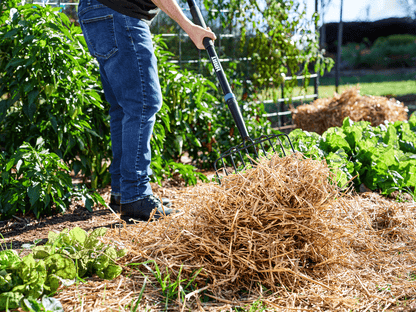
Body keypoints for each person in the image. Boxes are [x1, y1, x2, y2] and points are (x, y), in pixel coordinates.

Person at [77, 0, 216, 221]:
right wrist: (189, 27)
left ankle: (123, 193)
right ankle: (135, 195)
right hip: (120, 13)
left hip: (96, 13)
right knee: (143, 102)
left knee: (123, 108)